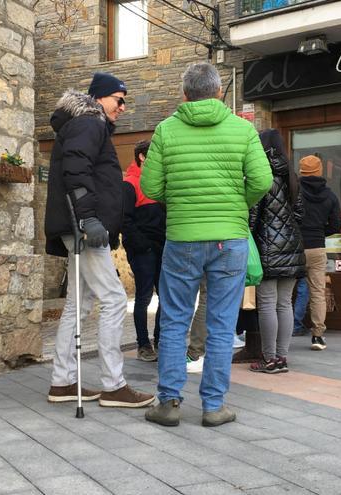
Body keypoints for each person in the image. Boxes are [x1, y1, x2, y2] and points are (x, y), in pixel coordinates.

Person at [141, 62, 272, 427]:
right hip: (229, 239)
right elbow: (262, 181)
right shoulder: (243, 129)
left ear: (184, 95)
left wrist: (182, 200)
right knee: (220, 324)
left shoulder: (166, 130)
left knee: (174, 321)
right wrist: (236, 203)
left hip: (182, 238)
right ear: (219, 93)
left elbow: (151, 188)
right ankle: (213, 406)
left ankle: (168, 403)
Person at [44, 72, 154, 408]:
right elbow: (75, 171)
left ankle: (63, 382)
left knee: (81, 303)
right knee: (115, 299)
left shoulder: (87, 124)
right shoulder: (90, 123)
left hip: (80, 224)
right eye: (119, 99)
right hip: (83, 227)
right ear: (100, 97)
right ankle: (113, 385)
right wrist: (89, 218)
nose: (122, 107)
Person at [249, 129, 305, 373]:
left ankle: (269, 359)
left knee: (268, 304)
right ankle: (282, 358)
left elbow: (252, 218)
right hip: (292, 247)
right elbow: (300, 213)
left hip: (267, 247)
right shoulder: (292, 175)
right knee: (285, 305)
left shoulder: (261, 175)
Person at [122, 140, 166, 362]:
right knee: (144, 297)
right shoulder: (130, 183)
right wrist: (143, 245)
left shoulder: (158, 183)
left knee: (166, 297)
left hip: (163, 247)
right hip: (143, 250)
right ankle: (143, 344)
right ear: (142, 157)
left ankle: (160, 340)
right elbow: (125, 221)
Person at [296, 155, 341, 350]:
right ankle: (317, 336)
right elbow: (336, 225)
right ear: (320, 171)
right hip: (317, 247)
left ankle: (281, 335)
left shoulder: (294, 192)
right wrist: (320, 232)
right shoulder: (330, 195)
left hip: (294, 248)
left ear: (301, 171)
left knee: (285, 292)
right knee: (317, 293)